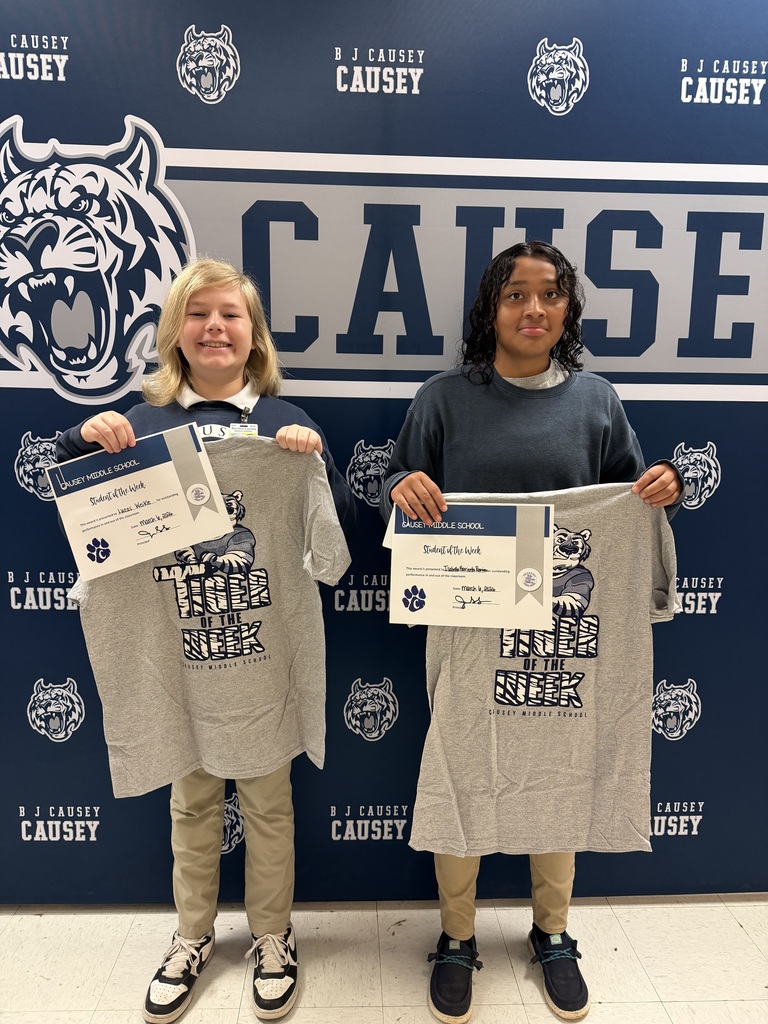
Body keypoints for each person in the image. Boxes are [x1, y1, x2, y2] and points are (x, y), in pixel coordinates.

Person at [379, 240, 682, 1023]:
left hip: (566, 625)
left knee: (561, 758)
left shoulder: (597, 400)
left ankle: (553, 932)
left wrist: (664, 487)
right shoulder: (443, 397)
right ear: (491, 310)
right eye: (516, 295)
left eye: (550, 295)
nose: (534, 309)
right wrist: (401, 484)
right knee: (460, 763)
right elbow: (397, 488)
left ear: (568, 312)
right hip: (469, 622)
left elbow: (633, 499)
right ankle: (456, 936)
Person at [56, 257, 357, 1023]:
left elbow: (333, 546)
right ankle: (191, 936)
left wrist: (309, 462)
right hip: (176, 665)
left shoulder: (288, 422)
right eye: (199, 314)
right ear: (176, 335)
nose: (215, 327)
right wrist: (81, 435)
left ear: (253, 334)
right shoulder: (142, 422)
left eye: (230, 314)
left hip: (261, 664)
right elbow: (78, 497)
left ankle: (271, 935)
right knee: (190, 803)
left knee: (268, 803)